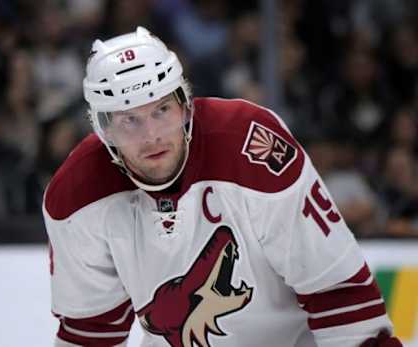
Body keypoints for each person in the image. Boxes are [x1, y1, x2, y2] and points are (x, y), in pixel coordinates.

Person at [43, 27, 402, 347]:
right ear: (104, 132)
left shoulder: (250, 146)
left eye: (161, 110)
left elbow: (338, 292)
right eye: (129, 120)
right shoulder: (75, 196)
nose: (151, 135)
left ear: (185, 106)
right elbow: (92, 332)